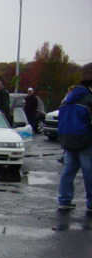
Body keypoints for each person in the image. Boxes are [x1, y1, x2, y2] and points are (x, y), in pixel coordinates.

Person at [56, 73, 92, 211]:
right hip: (85, 140)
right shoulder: (88, 99)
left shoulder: (67, 99)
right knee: (89, 172)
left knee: (68, 171)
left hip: (67, 139)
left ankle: (64, 200)